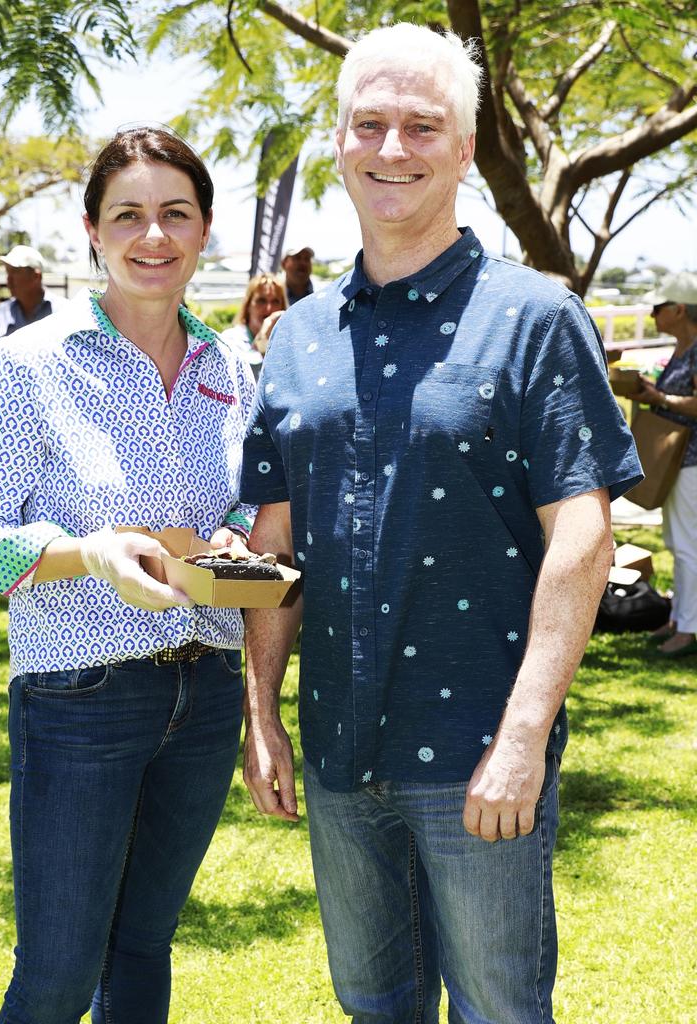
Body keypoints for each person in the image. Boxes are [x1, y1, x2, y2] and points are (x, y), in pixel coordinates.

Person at [239, 23, 642, 1024]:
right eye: (369, 124)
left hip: (478, 752)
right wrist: (260, 713)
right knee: (374, 1008)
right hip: (338, 756)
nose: (392, 149)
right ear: (337, 140)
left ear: (464, 150)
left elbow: (584, 537)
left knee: (502, 1011)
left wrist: (522, 738)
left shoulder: (536, 317)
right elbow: (271, 552)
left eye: (422, 126)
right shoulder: (296, 339)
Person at [0, 125, 256, 1024]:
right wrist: (92, 555)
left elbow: (237, 506)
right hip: (80, 697)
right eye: (129, 215)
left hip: (205, 691)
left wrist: (230, 544)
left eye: (174, 214)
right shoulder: (27, 365)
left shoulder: (228, 367)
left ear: (203, 230)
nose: (152, 236)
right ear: (92, 229)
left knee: (142, 951)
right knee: (57, 978)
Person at [630, 272, 697, 657]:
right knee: (677, 542)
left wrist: (662, 399)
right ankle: (679, 618)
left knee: (687, 545)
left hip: (691, 462)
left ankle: (686, 631)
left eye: (658, 307)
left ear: (679, 309)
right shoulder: (680, 350)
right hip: (679, 462)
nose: (653, 315)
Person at [0, 244, 68, 348]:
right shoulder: (1, 314)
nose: (8, 280)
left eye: (15, 272)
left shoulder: (64, 311)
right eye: (7, 273)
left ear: (36, 276)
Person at [221, 271, 287, 378]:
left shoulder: (288, 343)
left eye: (275, 301)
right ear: (248, 305)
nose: (268, 308)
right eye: (261, 301)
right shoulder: (230, 339)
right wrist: (262, 339)